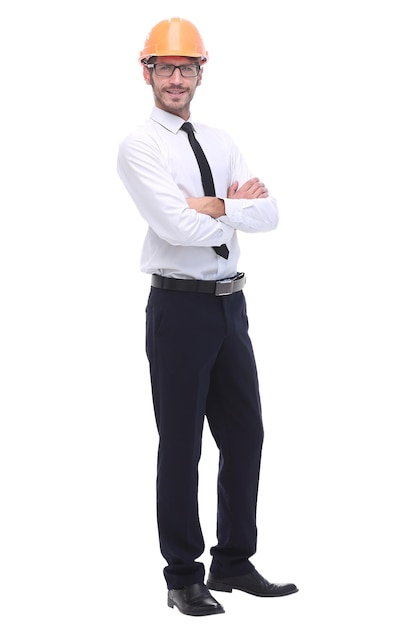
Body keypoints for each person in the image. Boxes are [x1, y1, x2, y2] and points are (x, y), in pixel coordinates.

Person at [117, 16, 298, 617]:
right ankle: (181, 575)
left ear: (201, 72)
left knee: (245, 435)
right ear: (147, 72)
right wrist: (225, 209)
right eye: (165, 67)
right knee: (182, 445)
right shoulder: (139, 145)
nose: (175, 78)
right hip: (178, 310)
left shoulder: (220, 142)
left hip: (230, 307)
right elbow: (174, 226)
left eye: (185, 68)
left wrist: (206, 204)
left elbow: (270, 213)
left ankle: (233, 563)